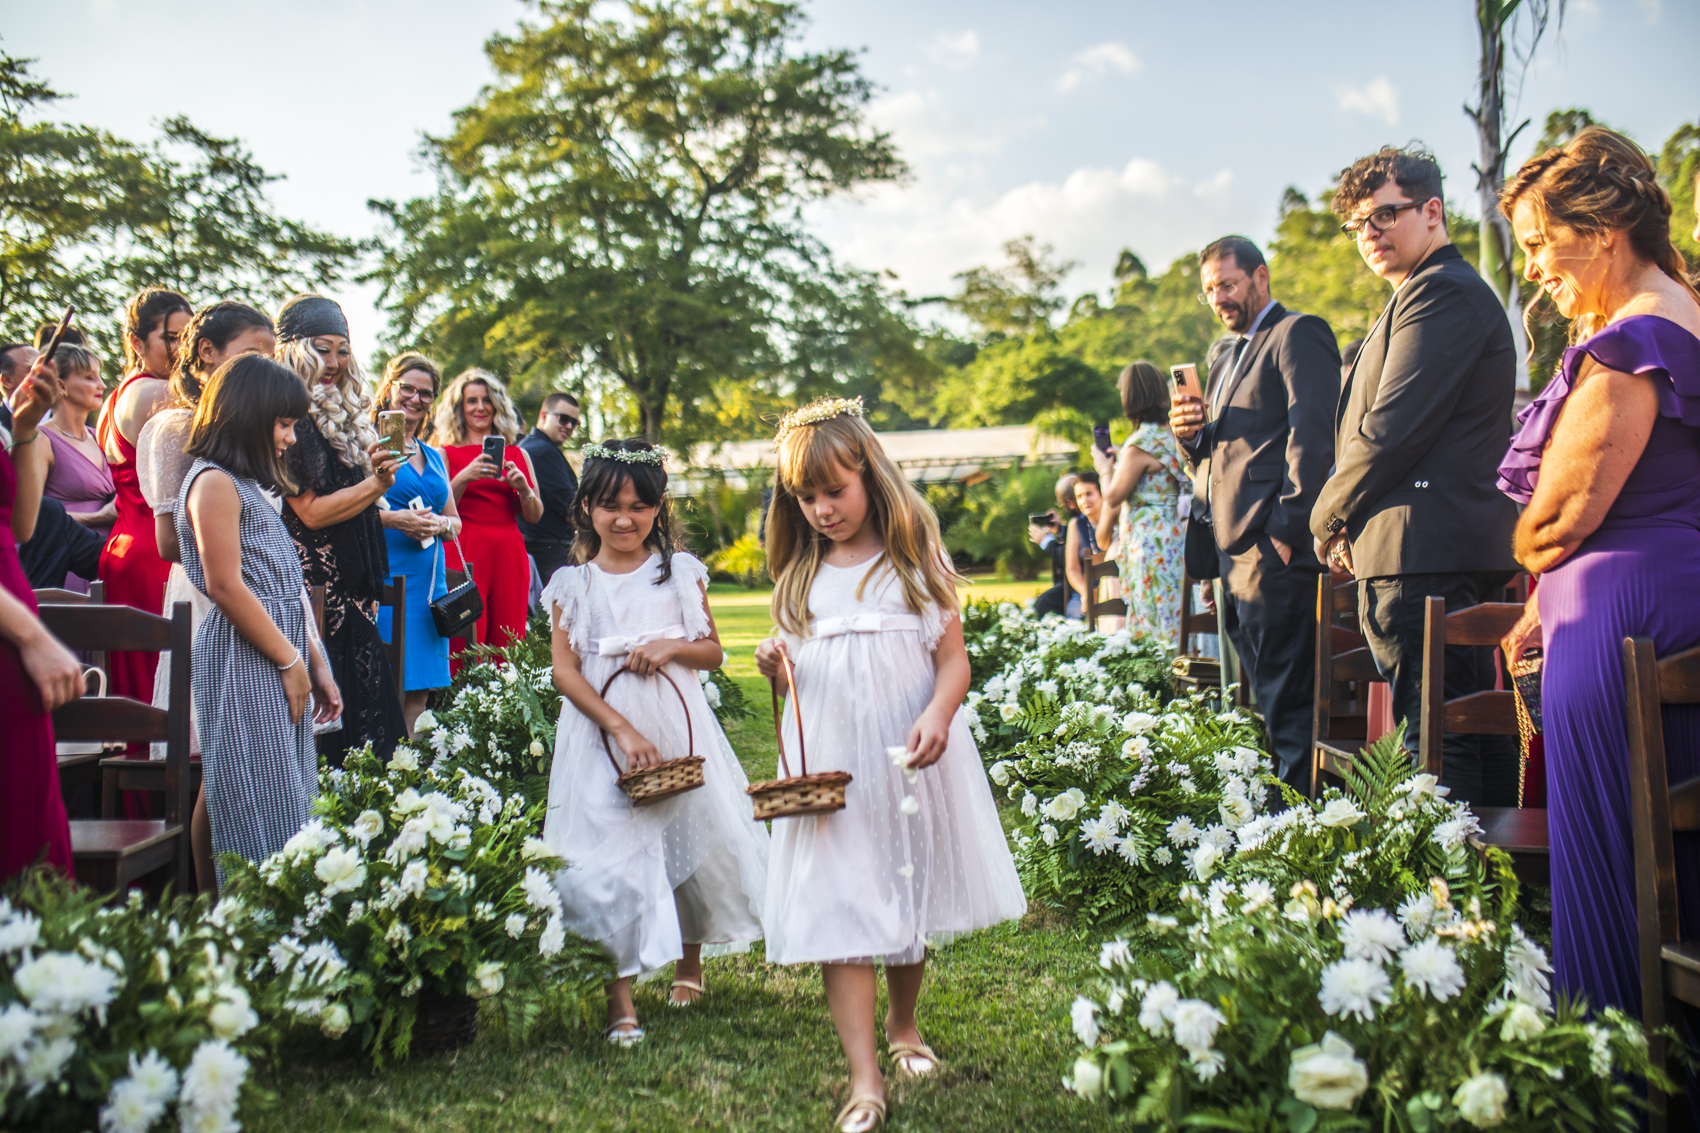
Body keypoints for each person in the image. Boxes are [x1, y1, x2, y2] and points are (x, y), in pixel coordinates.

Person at [754, 398, 1025, 1133]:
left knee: (906, 885)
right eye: (804, 497)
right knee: (844, 905)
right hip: (830, 764)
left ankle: (904, 1023)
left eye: (832, 491)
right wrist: (774, 664)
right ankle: (864, 1076)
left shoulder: (913, 561)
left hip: (906, 751)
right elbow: (797, 681)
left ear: (869, 475)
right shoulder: (799, 576)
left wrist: (938, 712)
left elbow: (952, 660)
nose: (819, 509)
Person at [1494, 126, 1700, 1020]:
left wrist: (1525, 553)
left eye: (1542, 244)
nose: (1536, 268)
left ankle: (1617, 1070)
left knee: (1614, 868)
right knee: (1671, 869)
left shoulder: (1632, 343)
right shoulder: (1686, 311)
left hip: (1617, 635)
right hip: (1660, 615)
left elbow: (1561, 518)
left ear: (1605, 231)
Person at [1309, 148, 1521, 806]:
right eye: (1357, 226)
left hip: (1425, 554)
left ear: (1433, 211)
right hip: (1426, 549)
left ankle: (1457, 897)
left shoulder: (1443, 293)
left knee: (1437, 738)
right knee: (1459, 728)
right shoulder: (1423, 293)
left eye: (1384, 215)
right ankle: (1489, 894)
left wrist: (1326, 519)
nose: (1368, 234)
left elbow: (1391, 429)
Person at [540, 438, 767, 1046]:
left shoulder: (678, 574)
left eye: (640, 507)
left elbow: (713, 652)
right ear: (587, 506)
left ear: (659, 509)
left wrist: (671, 646)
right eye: (611, 505)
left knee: (686, 841)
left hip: (675, 723)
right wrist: (618, 726)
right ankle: (621, 999)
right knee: (605, 857)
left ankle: (688, 964)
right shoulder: (572, 584)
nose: (624, 519)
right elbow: (565, 671)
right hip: (602, 733)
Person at [1169, 236, 1338, 794]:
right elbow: (1218, 456)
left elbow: (1312, 439)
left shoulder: (1297, 334)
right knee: (1262, 697)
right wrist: (1190, 436)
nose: (1218, 297)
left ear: (1260, 277)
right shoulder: (1222, 355)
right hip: (1231, 552)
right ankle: (1279, 813)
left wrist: (1285, 536)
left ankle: (1301, 824)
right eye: (1208, 290)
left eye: (1226, 283)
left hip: (1273, 552)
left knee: (1289, 701)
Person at [178, 354, 341, 888]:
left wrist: (314, 660)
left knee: (249, 780)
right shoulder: (214, 484)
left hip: (276, 646)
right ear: (246, 416)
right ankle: (239, 907)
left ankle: (232, 909)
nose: (291, 438)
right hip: (246, 654)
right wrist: (289, 659)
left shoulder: (245, 486)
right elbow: (226, 585)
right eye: (284, 423)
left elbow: (286, 587)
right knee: (247, 784)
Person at [139, 300, 277, 890]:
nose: (262, 370)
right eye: (251, 356)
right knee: (218, 765)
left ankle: (242, 889)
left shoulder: (253, 431)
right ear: (207, 353)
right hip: (207, 599)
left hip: (258, 596)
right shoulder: (178, 428)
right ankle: (207, 902)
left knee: (248, 760)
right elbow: (170, 541)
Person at [275, 294, 406, 765]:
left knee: (367, 718)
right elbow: (309, 512)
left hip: (353, 587)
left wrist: (374, 477)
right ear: (293, 348)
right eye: (322, 348)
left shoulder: (346, 411)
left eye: (342, 349)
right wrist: (376, 483)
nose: (333, 362)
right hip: (319, 590)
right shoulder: (292, 418)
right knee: (344, 726)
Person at [96, 288, 193, 758]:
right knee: (163, 681)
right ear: (135, 341)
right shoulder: (158, 393)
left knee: (138, 683)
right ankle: (157, 794)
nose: (183, 348)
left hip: (124, 548)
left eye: (188, 337)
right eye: (171, 338)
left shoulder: (116, 394)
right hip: (158, 549)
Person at [0, 352, 79, 880]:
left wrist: (25, 427)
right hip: (13, 630)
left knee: (28, 818)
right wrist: (35, 638)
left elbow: (21, 525)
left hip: (12, 622)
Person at [372, 352, 459, 736]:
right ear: (390, 387)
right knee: (384, 690)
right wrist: (395, 520)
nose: (414, 398)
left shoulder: (435, 456)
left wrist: (440, 523)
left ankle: (414, 784)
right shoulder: (368, 444)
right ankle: (378, 778)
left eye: (425, 392)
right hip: (388, 579)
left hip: (429, 586)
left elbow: (455, 520)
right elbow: (352, 515)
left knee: (419, 697)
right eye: (406, 387)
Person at [435, 369, 543, 667]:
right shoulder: (444, 454)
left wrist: (523, 489)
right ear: (460, 408)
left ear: (497, 405)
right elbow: (443, 510)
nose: (480, 407)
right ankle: (458, 706)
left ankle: (502, 705)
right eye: (471, 401)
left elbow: (534, 516)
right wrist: (464, 477)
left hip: (508, 550)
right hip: (464, 549)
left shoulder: (518, 455)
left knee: (508, 637)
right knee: (464, 636)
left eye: (487, 400)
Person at [1093, 361, 1186, 643]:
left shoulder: (1140, 442)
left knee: (1151, 619)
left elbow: (1113, 497)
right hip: (1173, 539)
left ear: (1131, 397)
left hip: (1148, 544)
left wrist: (1104, 469)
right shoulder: (1171, 434)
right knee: (1174, 616)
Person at [39, 344, 115, 590]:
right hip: (66, 564)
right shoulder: (41, 440)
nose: (102, 385)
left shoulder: (100, 437)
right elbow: (32, 517)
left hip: (106, 559)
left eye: (100, 377)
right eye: (90, 378)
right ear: (61, 386)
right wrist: (99, 517)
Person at [518, 391, 582, 585]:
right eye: (563, 419)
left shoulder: (528, 446)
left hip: (537, 551)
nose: (569, 426)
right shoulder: (543, 452)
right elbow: (570, 508)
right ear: (544, 415)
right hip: (549, 555)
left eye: (574, 422)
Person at [1029, 472, 1079, 618]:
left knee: (1045, 603)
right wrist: (1060, 531)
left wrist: (1046, 541)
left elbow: (1071, 556)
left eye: (1061, 504)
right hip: (1077, 583)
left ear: (1069, 502)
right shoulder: (1077, 522)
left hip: (1083, 584)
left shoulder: (1082, 520)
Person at [1063, 472, 1102, 620]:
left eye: (1089, 494)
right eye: (1079, 496)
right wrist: (1086, 593)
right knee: (1075, 617)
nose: (1084, 501)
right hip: (1087, 588)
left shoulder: (1117, 519)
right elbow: (1072, 569)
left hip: (1115, 585)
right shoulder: (1076, 524)